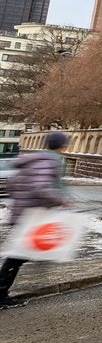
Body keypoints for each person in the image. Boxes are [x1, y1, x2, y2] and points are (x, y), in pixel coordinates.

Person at [1, 131, 72, 308]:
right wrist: (61, 200)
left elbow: (12, 185)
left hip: (26, 211)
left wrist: (21, 201)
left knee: (20, 254)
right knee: (17, 256)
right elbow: (40, 188)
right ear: (61, 145)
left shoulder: (34, 159)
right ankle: (0, 294)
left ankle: (1, 292)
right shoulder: (48, 162)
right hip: (32, 213)